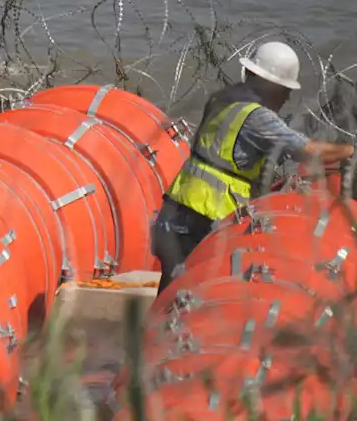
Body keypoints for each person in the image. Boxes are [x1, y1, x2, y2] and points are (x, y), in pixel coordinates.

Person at [152, 42, 355, 294]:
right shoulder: (257, 117)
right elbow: (307, 152)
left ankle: (148, 333)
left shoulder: (223, 101)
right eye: (285, 89)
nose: (288, 97)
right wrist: (349, 151)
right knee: (195, 297)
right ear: (271, 85)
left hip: (176, 211)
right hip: (202, 218)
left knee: (171, 297)